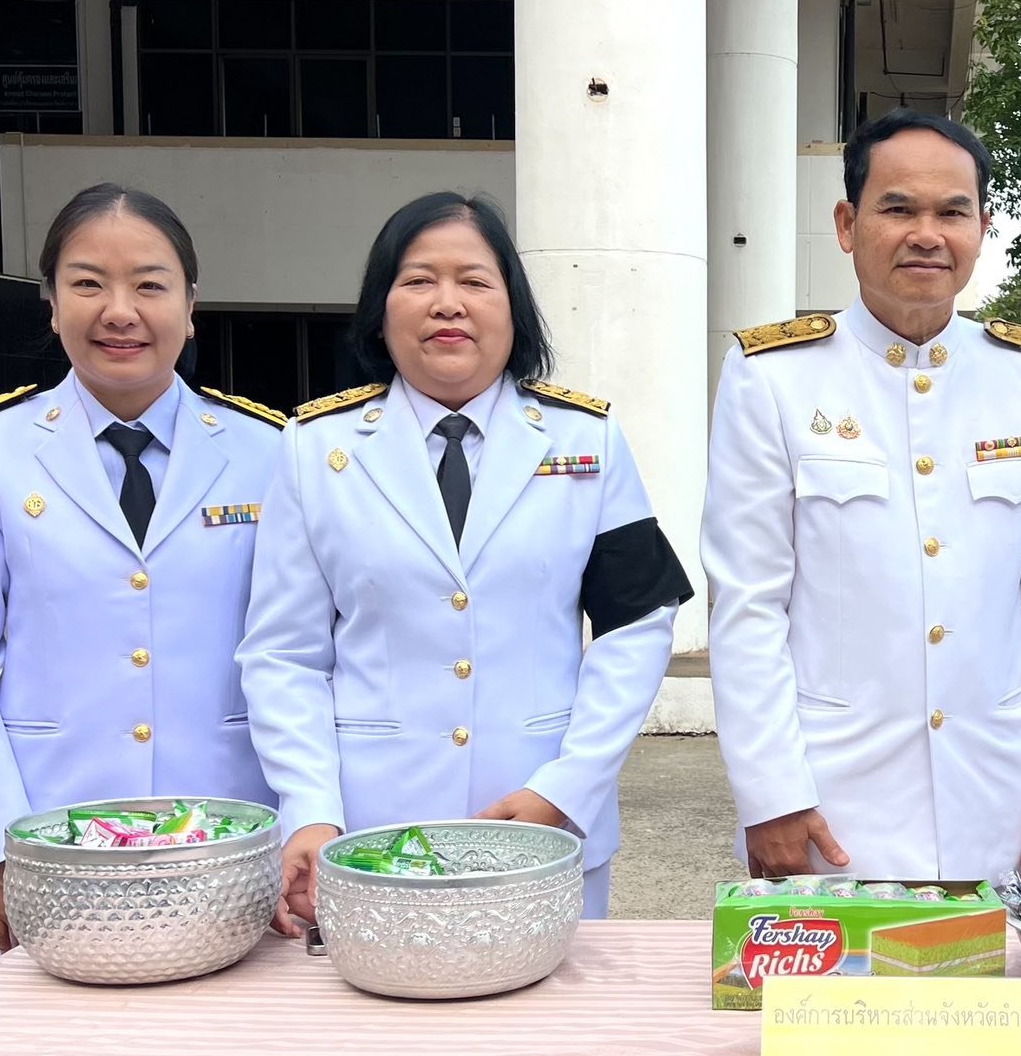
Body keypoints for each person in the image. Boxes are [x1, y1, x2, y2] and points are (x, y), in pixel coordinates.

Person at [240, 192, 691, 928]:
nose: (447, 303)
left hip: (542, 821)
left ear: (514, 309)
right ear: (380, 311)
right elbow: (284, 656)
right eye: (419, 280)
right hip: (369, 833)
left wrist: (568, 786)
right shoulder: (315, 450)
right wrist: (310, 808)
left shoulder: (587, 442)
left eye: (475, 281)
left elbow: (636, 626)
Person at [704, 110, 1021, 883]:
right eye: (898, 208)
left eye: (953, 212)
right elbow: (749, 602)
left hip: (999, 792)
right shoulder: (772, 378)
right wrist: (771, 792)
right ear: (847, 224)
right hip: (829, 799)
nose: (928, 234)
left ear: (983, 228)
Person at [0, 184, 286, 963]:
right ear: (52, 305)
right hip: (52, 840)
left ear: (191, 305)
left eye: (150, 285)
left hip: (232, 839)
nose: (120, 312)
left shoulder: (269, 454)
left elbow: (301, 652)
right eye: (88, 283)